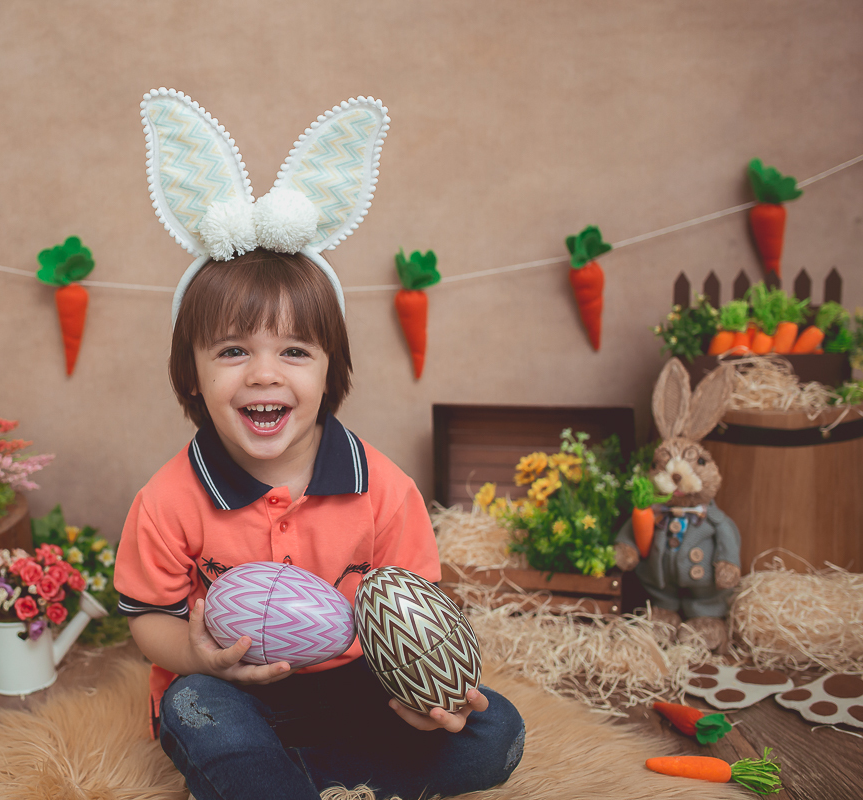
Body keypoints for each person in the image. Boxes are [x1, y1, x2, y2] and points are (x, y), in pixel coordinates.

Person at [115, 88, 524, 799]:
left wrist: (427, 695)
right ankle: (279, 774)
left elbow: (414, 608)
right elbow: (149, 618)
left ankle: (304, 778)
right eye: (233, 350)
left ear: (332, 370)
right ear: (193, 373)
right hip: (234, 693)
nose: (264, 374)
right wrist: (199, 656)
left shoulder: (382, 489)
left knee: (495, 733)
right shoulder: (169, 498)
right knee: (191, 709)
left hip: (355, 691)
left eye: (296, 351)